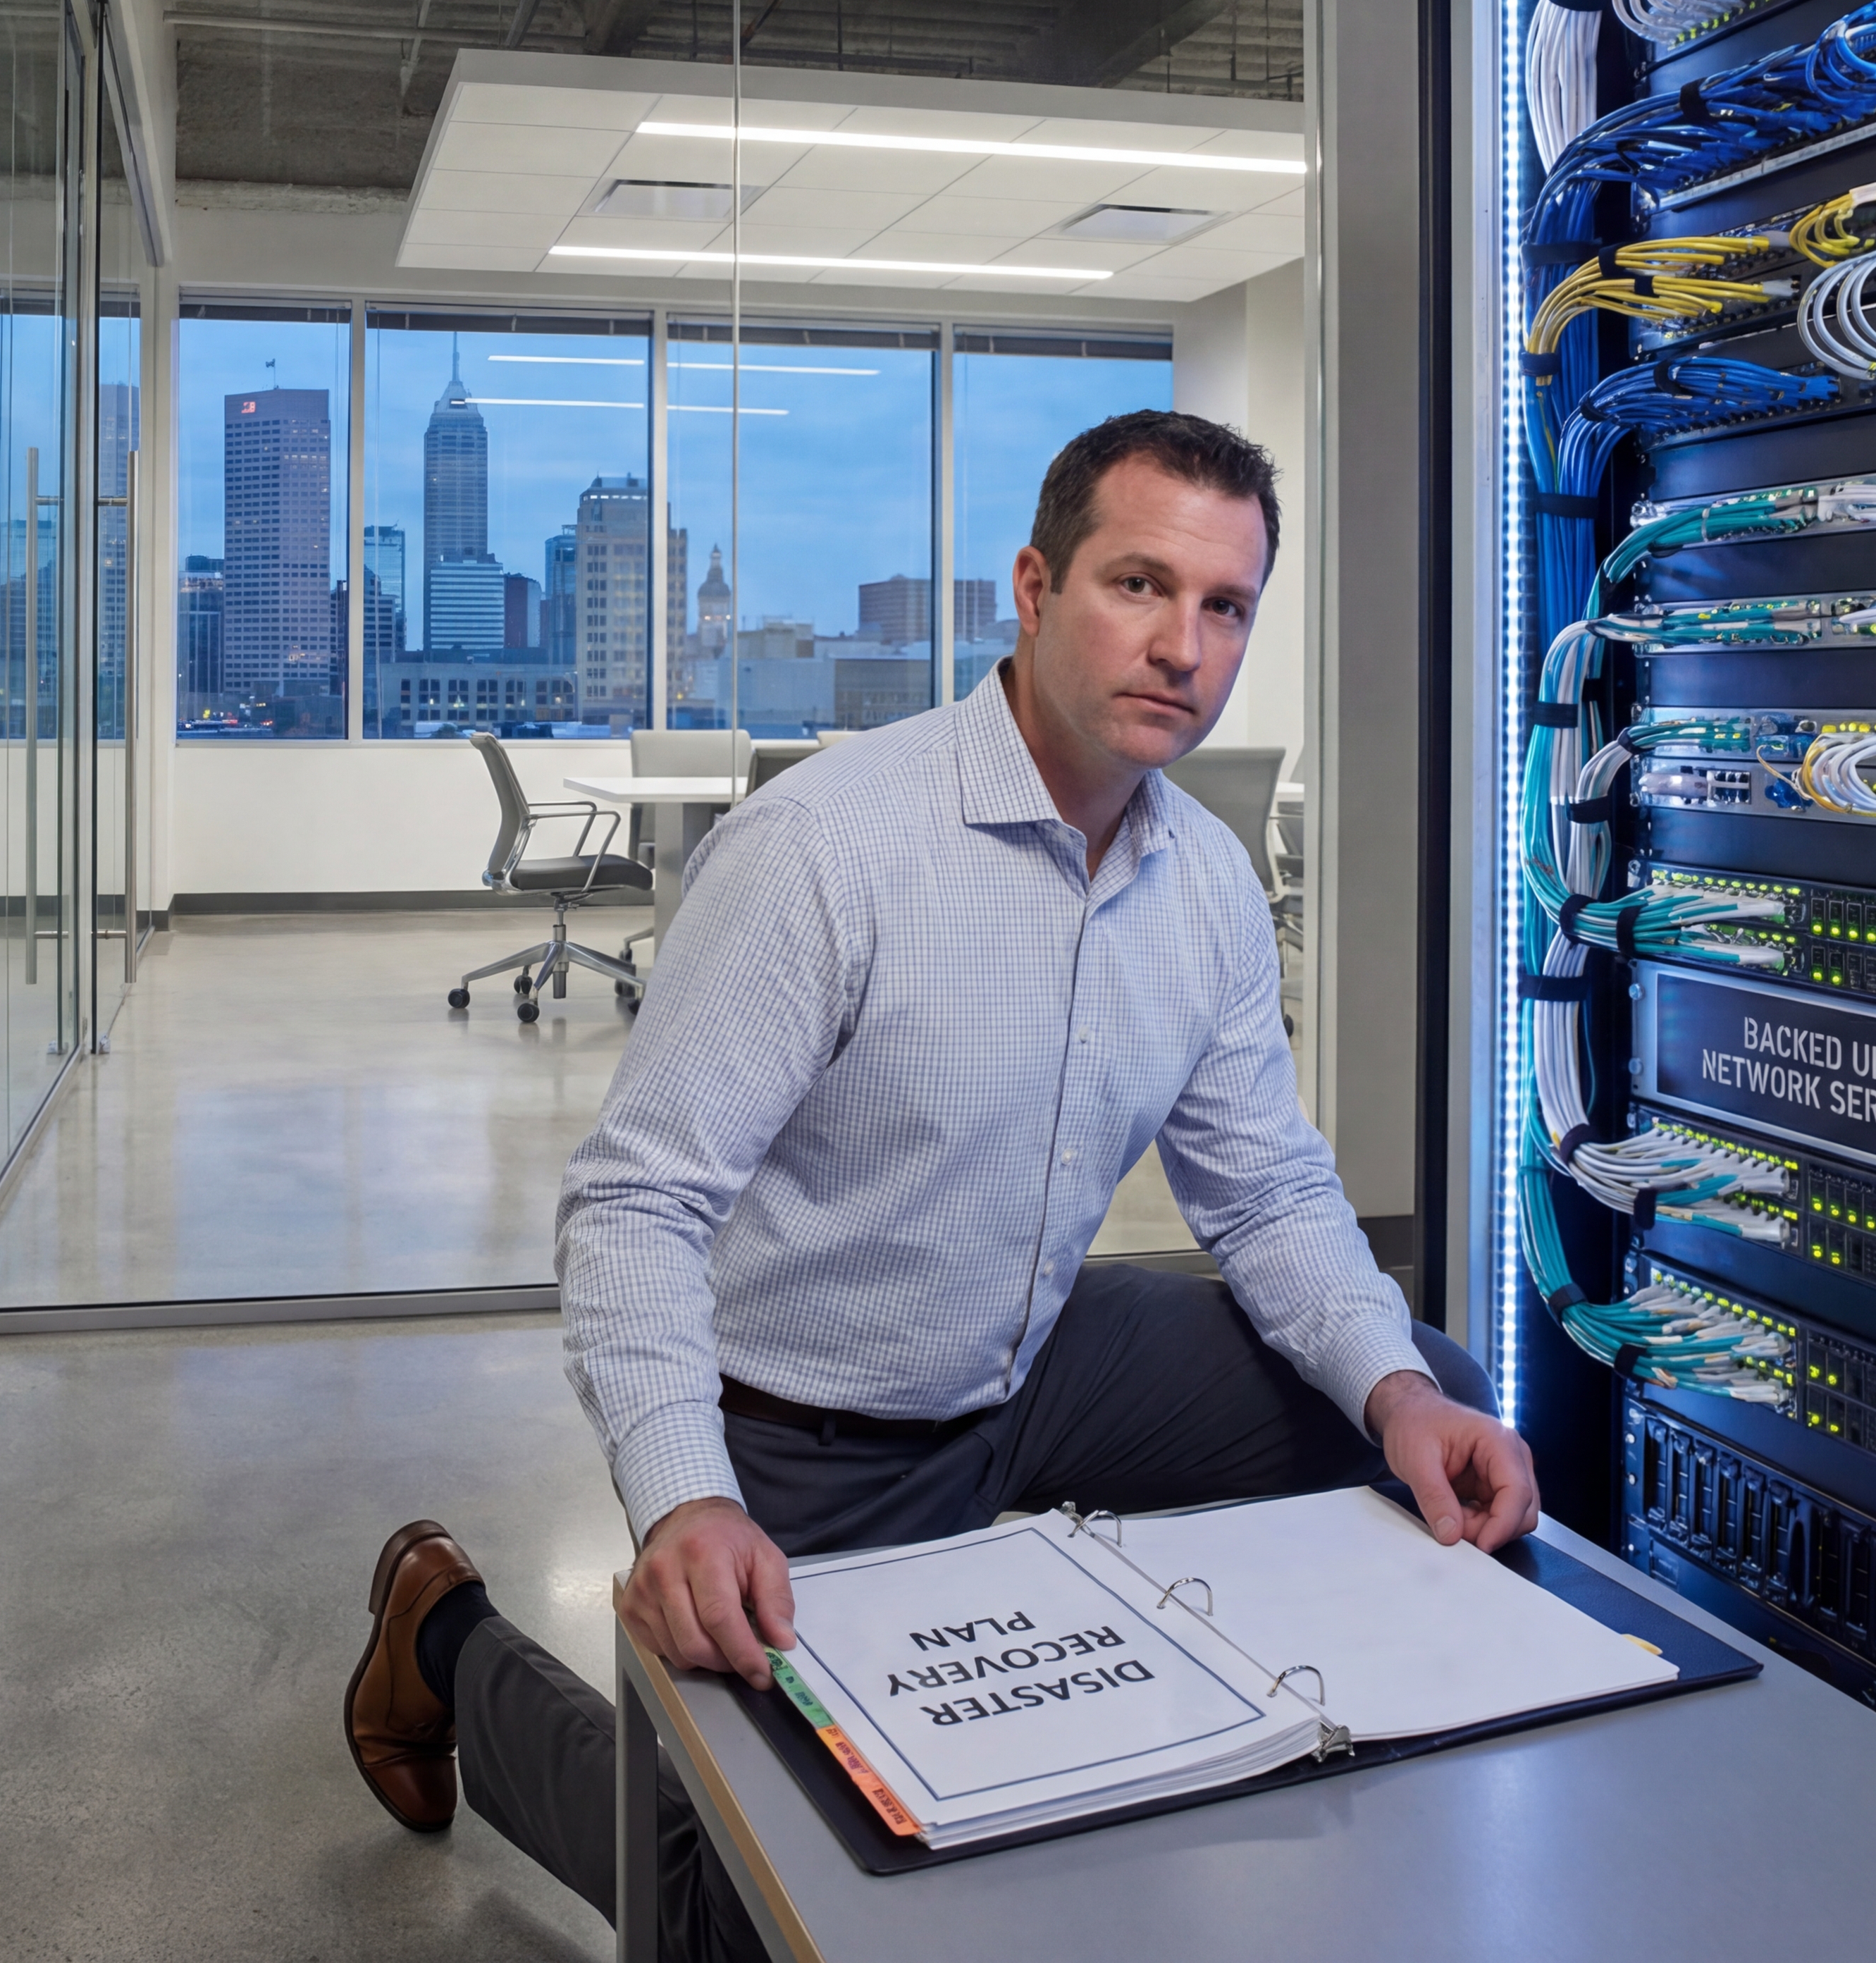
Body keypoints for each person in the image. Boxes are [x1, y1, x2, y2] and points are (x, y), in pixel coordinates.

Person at [341, 410, 1538, 1959]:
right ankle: (441, 1640)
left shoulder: (1209, 884)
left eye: (1226, 605)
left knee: (1424, 1389)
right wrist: (688, 1494)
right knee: (741, 1924)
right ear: (1034, 590)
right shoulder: (828, 852)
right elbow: (636, 1206)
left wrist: (1395, 1392)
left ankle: (1178, 1719)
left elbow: (1270, 1196)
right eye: (1138, 584)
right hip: (816, 1412)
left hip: (1035, 1358)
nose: (1183, 643)